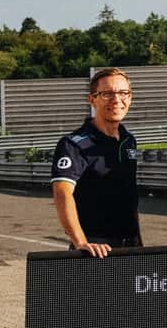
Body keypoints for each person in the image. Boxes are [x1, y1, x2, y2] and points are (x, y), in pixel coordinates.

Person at [50, 67, 141, 256]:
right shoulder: (73, 144)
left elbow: (129, 197)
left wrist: (138, 242)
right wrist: (81, 243)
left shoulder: (128, 140)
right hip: (95, 249)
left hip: (131, 245)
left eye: (123, 93)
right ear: (92, 100)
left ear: (130, 97)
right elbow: (62, 193)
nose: (116, 100)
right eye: (107, 94)